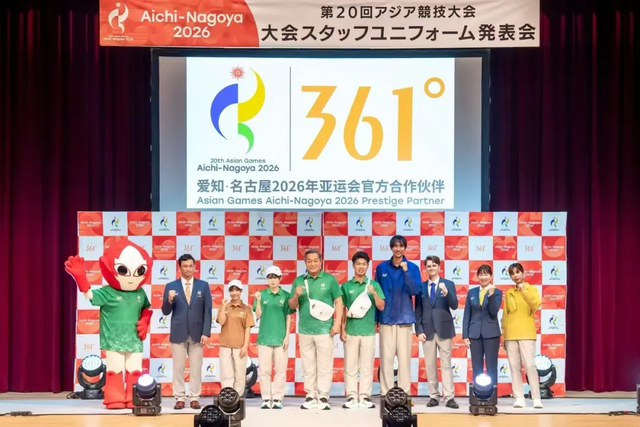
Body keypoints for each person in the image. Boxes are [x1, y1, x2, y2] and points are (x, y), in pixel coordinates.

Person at [64, 239, 153, 409]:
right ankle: (115, 396)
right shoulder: (108, 292)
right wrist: (81, 278)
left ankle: (134, 397)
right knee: (115, 369)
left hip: (134, 339)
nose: (132, 276)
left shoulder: (140, 292)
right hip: (114, 339)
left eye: (140, 271)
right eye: (123, 270)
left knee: (134, 369)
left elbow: (146, 308)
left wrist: (144, 320)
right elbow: (90, 295)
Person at [289, 249, 342, 410]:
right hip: (305, 330)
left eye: (315, 261)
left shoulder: (330, 280)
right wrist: (296, 295)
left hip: (325, 330)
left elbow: (339, 302)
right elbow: (291, 306)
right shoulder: (299, 281)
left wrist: (337, 324)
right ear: (305, 263)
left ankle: (323, 396)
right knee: (308, 365)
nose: (312, 264)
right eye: (309, 261)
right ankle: (310, 395)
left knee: (325, 365)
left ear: (320, 262)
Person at [161, 253, 212, 410]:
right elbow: (165, 311)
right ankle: (180, 397)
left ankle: (194, 397)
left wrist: (206, 332)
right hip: (178, 332)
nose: (188, 269)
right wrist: (169, 300)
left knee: (196, 368)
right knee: (178, 368)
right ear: (180, 268)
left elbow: (207, 311)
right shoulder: (171, 286)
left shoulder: (203, 286)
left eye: (190, 266)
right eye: (185, 266)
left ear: (194, 267)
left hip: (197, 333)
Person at [374, 235, 421, 396]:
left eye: (401, 246)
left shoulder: (412, 268)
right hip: (386, 318)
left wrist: (406, 272)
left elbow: (415, 290)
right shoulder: (381, 268)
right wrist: (376, 318)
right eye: (395, 246)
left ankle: (404, 394)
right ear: (391, 248)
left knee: (404, 360)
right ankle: (386, 393)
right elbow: (377, 294)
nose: (398, 249)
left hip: (405, 319)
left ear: (405, 248)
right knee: (386, 359)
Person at [340, 251, 385, 409]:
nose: (361, 267)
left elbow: (381, 306)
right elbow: (343, 309)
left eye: (364, 264)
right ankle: (352, 396)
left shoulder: (374, 285)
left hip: (368, 332)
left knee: (367, 367)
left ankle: (365, 396)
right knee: (350, 366)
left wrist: (374, 293)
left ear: (367, 266)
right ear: (353, 266)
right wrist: (342, 329)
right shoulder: (346, 286)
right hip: (351, 332)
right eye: (358, 264)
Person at [415, 255, 459, 408]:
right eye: (428, 266)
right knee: (430, 365)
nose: (431, 268)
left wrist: (446, 292)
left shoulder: (448, 284)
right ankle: (433, 396)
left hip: (444, 330)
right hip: (427, 331)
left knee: (446, 365)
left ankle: (449, 397)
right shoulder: (421, 287)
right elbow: (418, 311)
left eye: (434, 265)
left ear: (439, 267)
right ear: (425, 269)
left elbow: (454, 305)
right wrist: (419, 330)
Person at [502, 262, 543, 409]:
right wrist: (504, 336)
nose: (515, 276)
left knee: (530, 365)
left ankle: (536, 398)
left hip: (526, 333)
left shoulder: (531, 289)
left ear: (523, 273)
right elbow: (505, 316)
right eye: (512, 273)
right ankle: (519, 397)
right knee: (514, 367)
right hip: (511, 335)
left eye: (517, 272)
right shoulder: (509, 292)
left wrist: (523, 289)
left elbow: (535, 304)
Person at [252, 266, 293, 409]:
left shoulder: (286, 295)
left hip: (280, 339)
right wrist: (258, 301)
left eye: (275, 277)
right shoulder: (261, 294)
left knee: (280, 371)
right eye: (270, 277)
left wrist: (287, 336)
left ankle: (277, 398)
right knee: (264, 371)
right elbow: (258, 315)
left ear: (280, 278)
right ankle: (266, 398)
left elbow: (288, 317)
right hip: (264, 338)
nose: (272, 280)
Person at [462, 264, 503, 389]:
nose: (483, 277)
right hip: (474, 334)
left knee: (491, 365)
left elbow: (493, 311)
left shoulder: (497, 292)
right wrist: (465, 335)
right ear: (477, 276)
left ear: (491, 276)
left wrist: (490, 295)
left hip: (491, 334)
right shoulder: (472, 292)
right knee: (476, 366)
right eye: (481, 274)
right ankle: (478, 393)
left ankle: (492, 394)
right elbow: (467, 314)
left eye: (486, 274)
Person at [217, 279, 255, 396]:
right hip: (225, 345)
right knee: (226, 374)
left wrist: (245, 346)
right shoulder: (224, 306)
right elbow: (221, 321)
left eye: (237, 290)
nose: (234, 293)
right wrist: (223, 307)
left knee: (240, 374)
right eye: (232, 290)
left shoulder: (246, 309)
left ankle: (237, 397)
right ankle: (227, 397)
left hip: (239, 346)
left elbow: (247, 328)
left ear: (241, 291)